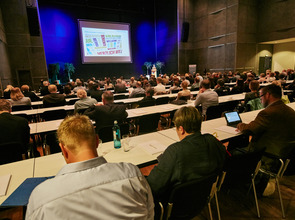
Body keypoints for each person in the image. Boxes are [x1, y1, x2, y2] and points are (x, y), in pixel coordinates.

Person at [26, 115, 154, 219]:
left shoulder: (40, 198)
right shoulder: (132, 174)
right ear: (97, 141)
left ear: (63, 150)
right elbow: (149, 213)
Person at [147, 106, 226, 208]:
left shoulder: (174, 151)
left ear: (181, 129)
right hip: (202, 200)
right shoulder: (212, 140)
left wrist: (164, 163)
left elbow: (153, 187)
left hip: (175, 207)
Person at [237, 84, 295, 170]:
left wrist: (240, 125)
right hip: (284, 153)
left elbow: (249, 130)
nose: (260, 100)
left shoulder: (267, 113)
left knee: (233, 153)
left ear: (267, 95)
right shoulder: (290, 110)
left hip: (267, 155)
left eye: (261, 96)